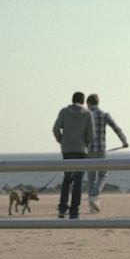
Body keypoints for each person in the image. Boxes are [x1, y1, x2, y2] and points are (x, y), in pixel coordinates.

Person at [52, 91, 96, 219]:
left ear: (72, 100)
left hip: (67, 150)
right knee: (78, 181)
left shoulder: (64, 112)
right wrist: (85, 144)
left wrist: (62, 140)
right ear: (83, 102)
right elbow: (91, 134)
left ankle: (62, 208)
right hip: (81, 150)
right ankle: (74, 211)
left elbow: (55, 129)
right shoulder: (88, 114)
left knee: (67, 179)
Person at [85, 93, 128, 213]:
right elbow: (116, 128)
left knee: (91, 178)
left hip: (89, 150)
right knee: (102, 175)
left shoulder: (86, 115)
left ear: (89, 103)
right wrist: (124, 141)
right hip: (101, 150)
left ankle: (91, 205)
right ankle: (95, 195)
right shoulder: (104, 115)